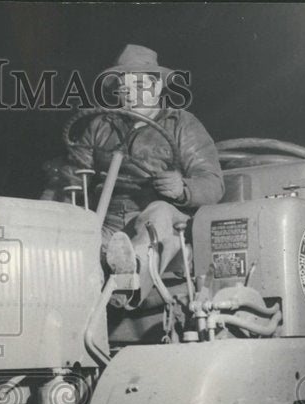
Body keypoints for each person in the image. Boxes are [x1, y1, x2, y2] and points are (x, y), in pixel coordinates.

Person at [52, 44, 224, 283]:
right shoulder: (101, 126)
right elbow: (70, 176)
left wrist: (183, 188)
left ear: (157, 88)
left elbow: (213, 182)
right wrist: (49, 213)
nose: (131, 94)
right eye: (124, 88)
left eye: (140, 86)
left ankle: (131, 272)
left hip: (162, 219)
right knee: (76, 237)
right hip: (108, 222)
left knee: (159, 213)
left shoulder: (182, 124)